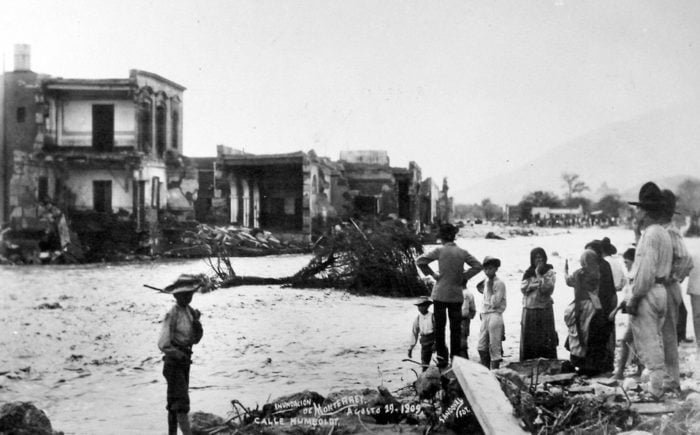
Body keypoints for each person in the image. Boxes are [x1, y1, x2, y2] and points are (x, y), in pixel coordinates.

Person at [626, 182, 673, 398]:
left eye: (638, 209)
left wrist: (635, 297)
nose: (636, 213)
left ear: (645, 211)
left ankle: (656, 390)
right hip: (660, 290)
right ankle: (656, 385)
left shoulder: (651, 235)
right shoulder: (662, 233)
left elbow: (645, 271)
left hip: (649, 292)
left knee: (649, 341)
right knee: (655, 338)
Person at [416, 223, 483, 368]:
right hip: (456, 295)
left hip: (440, 294)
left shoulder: (439, 250)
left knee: (440, 328)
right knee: (455, 329)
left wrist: (433, 274)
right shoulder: (462, 252)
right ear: (454, 236)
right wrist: (463, 276)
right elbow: (478, 265)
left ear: (441, 237)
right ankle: (455, 359)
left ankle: (441, 359)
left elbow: (420, 261)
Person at [158, 274, 205, 435]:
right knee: (180, 403)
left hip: (185, 360)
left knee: (174, 403)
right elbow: (163, 343)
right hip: (173, 362)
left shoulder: (190, 312)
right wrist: (177, 354)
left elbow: (196, 339)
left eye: (190, 294)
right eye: (184, 294)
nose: (187, 297)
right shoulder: (172, 314)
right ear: (176, 295)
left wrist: (197, 322)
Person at [660, 189, 694, 392]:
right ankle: (667, 377)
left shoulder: (669, 231)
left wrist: (672, 277)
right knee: (665, 334)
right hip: (667, 287)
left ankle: (671, 379)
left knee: (668, 335)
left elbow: (686, 259)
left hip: (668, 287)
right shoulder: (664, 230)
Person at [564, 249, 603, 375]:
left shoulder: (579, 274)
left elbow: (568, 281)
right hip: (595, 306)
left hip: (581, 306)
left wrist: (565, 271)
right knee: (590, 336)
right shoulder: (598, 273)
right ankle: (592, 366)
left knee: (579, 335)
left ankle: (580, 363)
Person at [583, 239, 618, 375]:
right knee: (597, 337)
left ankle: (595, 367)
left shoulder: (601, 266)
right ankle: (597, 366)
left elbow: (607, 289)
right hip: (598, 306)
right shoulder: (596, 265)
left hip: (601, 306)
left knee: (596, 336)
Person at [519, 247, 557, 361]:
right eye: (536, 257)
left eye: (541, 257)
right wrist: (533, 285)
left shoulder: (549, 272)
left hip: (544, 309)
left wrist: (538, 275)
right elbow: (523, 288)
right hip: (530, 309)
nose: (539, 260)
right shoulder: (527, 272)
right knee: (530, 340)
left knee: (544, 339)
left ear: (545, 258)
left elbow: (547, 289)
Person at [612, 248, 644, 380]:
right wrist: (616, 310)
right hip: (635, 313)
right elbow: (627, 297)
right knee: (633, 342)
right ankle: (635, 370)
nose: (625, 265)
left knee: (628, 341)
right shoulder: (633, 274)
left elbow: (631, 295)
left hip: (640, 313)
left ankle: (620, 372)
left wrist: (617, 310)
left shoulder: (637, 275)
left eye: (627, 262)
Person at [477, 256, 506, 369]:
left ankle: (494, 373)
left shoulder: (499, 283)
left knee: (495, 347)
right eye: (485, 269)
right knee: (481, 347)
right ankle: (486, 369)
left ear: (496, 269)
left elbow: (495, 303)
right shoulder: (486, 282)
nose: (487, 271)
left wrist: (489, 288)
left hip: (495, 314)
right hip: (485, 314)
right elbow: (482, 295)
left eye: (490, 268)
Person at [408, 296, 436, 371]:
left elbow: (438, 331)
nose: (420, 308)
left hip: (433, 341)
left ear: (427, 306)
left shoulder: (433, 316)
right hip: (424, 343)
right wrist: (411, 348)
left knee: (439, 361)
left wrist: (436, 343)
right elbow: (414, 333)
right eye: (418, 306)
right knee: (424, 364)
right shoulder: (418, 318)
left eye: (422, 306)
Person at [459, 285, 477, 359]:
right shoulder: (469, 293)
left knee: (461, 341)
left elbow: (464, 311)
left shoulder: (463, 294)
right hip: (465, 320)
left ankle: (464, 359)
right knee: (463, 339)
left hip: (461, 319)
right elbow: (473, 309)